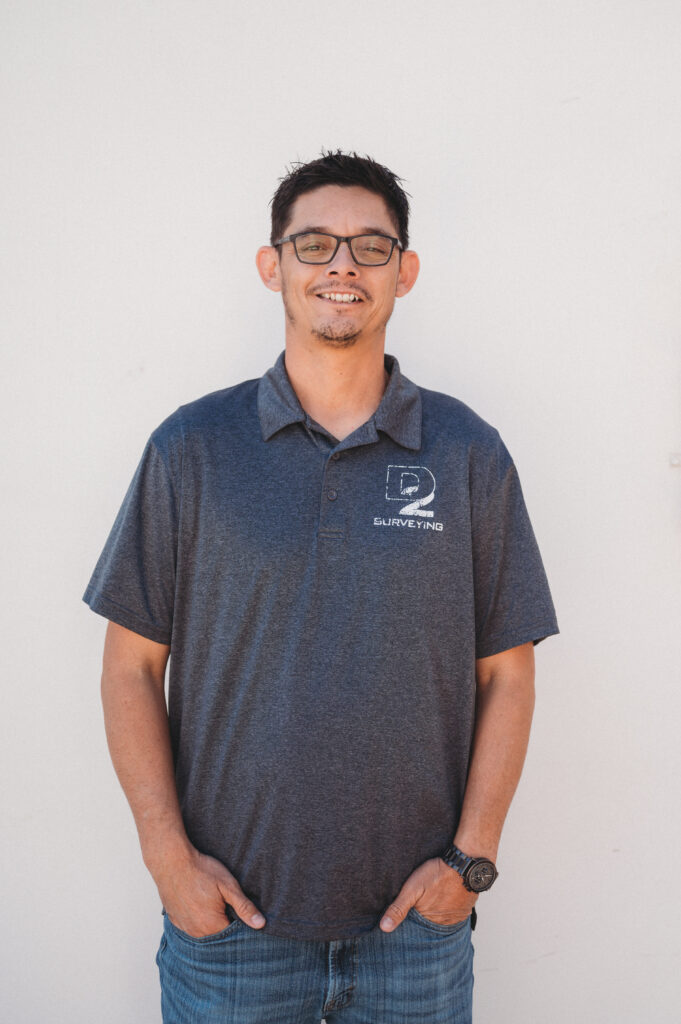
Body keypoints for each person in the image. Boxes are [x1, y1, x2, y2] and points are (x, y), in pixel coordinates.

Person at [84, 151, 558, 1024]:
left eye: (371, 245)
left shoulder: (466, 452)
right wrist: (167, 860)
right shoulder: (191, 448)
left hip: (414, 934)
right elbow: (129, 669)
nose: (342, 264)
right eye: (313, 243)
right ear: (272, 266)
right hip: (230, 931)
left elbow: (509, 675)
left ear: (404, 272)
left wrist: (469, 864)